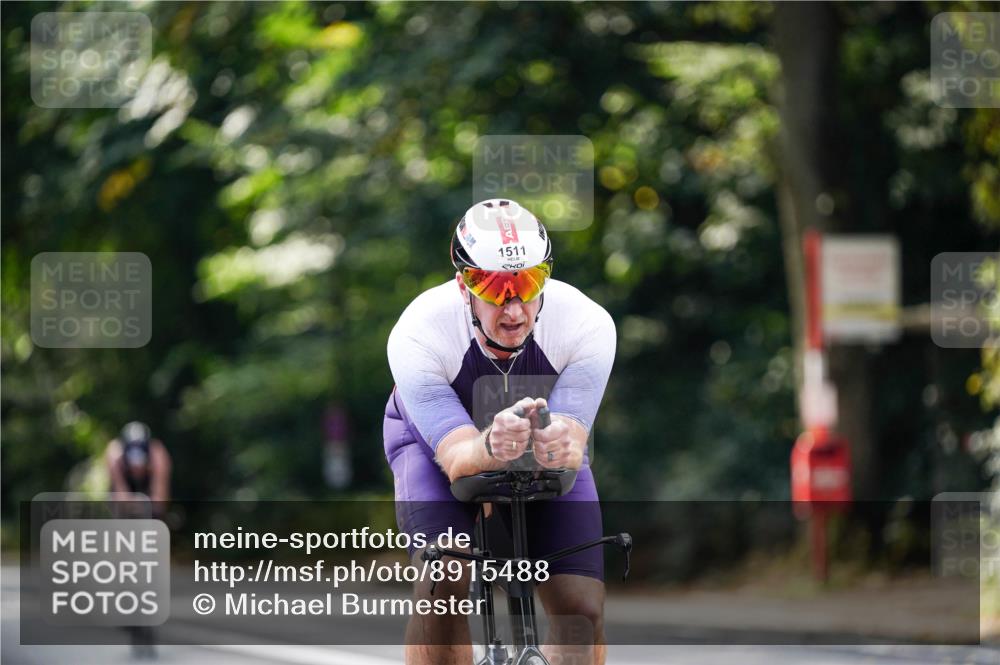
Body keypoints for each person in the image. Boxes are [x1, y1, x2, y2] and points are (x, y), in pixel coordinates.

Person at [384, 199, 616, 665]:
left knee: (582, 611)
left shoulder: (587, 324)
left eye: (528, 283)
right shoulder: (418, 332)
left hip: (530, 441)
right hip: (435, 445)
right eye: (493, 287)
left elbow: (571, 442)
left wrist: (559, 445)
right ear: (463, 285)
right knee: (444, 578)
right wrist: (491, 444)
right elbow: (458, 460)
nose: (513, 309)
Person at [104, 421, 171, 660]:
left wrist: (154, 506)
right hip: (123, 505)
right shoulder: (114, 454)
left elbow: (161, 494)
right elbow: (120, 492)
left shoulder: (158, 453)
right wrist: (127, 500)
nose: (138, 469)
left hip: (148, 504)